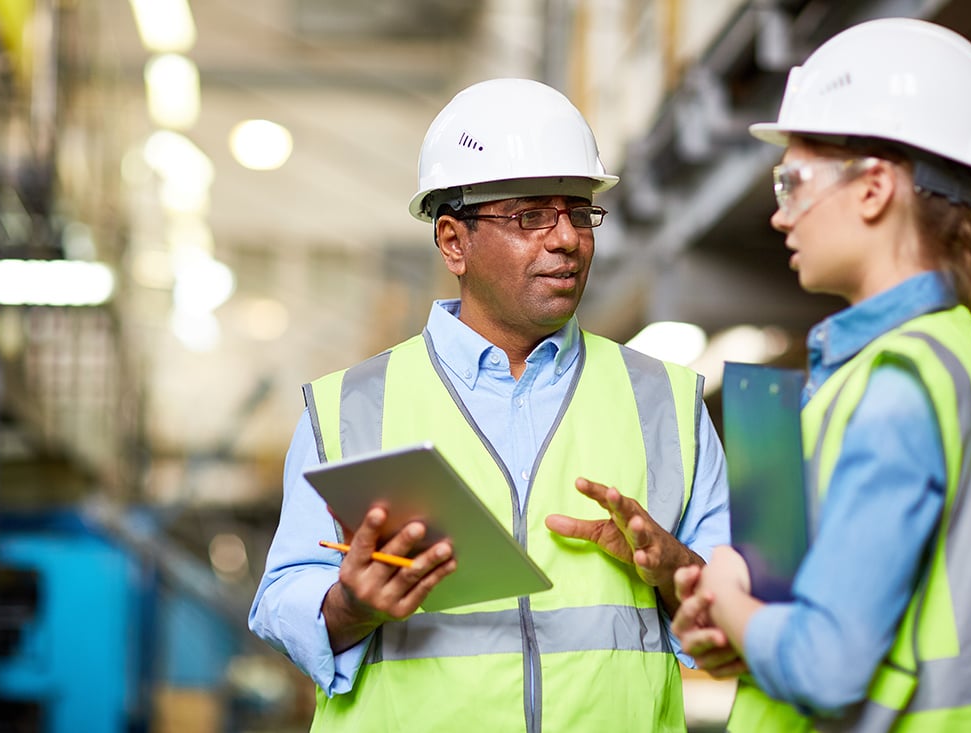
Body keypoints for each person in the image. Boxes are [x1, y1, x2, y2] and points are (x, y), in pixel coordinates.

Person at [248, 77, 730, 732]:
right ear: (453, 242)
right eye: (531, 215)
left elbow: (739, 614)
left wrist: (676, 569)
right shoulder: (349, 408)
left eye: (579, 210)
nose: (566, 238)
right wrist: (351, 604)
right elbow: (281, 598)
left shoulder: (666, 402)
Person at [671, 17, 971, 732]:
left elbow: (826, 667)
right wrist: (739, 626)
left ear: (874, 189)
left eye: (792, 181)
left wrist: (729, 595)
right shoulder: (953, 360)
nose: (781, 215)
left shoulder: (898, 386)